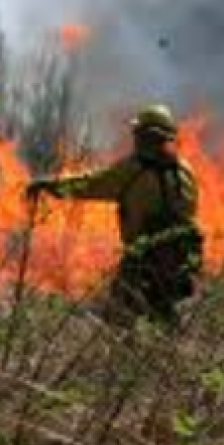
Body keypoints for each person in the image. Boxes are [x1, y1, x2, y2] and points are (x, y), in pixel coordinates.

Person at [26, 104, 204, 325]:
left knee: (120, 321)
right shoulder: (185, 172)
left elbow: (91, 185)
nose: (135, 140)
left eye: (139, 135)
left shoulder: (133, 170)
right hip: (180, 264)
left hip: (143, 263)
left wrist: (49, 186)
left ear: (149, 138)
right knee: (165, 321)